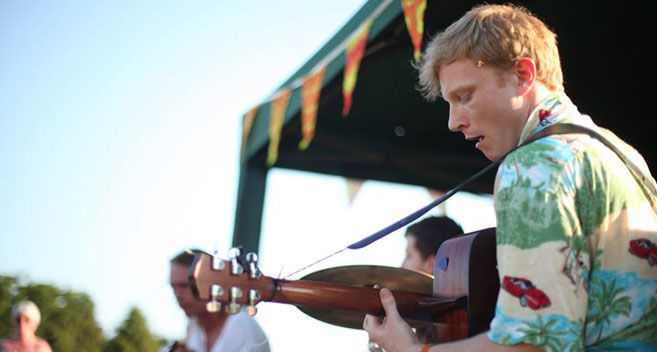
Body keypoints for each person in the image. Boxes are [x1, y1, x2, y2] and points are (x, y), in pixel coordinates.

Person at [363, 4, 657, 352]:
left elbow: (533, 344)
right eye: (449, 102)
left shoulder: (532, 166)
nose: (452, 121)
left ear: (523, 75)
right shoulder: (621, 154)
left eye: (465, 96)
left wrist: (413, 351)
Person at [169, 250, 270, 352]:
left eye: (184, 286)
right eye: (173, 286)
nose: (177, 294)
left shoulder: (242, 326)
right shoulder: (193, 325)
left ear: (210, 283)